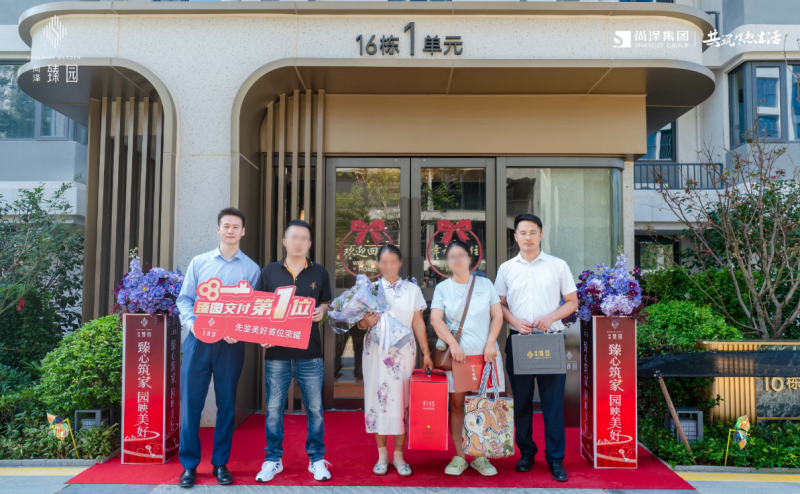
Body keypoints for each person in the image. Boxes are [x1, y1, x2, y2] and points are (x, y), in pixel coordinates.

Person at [175, 207, 261, 488]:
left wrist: (240, 331)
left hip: (230, 346)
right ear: (218, 230)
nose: (230, 230)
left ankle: (220, 463)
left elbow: (254, 309)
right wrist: (192, 325)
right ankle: (189, 466)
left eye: (236, 226)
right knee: (191, 404)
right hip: (198, 342)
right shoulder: (199, 262)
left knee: (226, 406)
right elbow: (184, 299)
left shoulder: (251, 269)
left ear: (243, 231)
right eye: (226, 226)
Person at [494, 213, 578, 482]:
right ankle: (526, 453)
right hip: (519, 341)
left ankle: (555, 459)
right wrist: (514, 320)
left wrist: (551, 317)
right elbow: (499, 305)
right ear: (515, 236)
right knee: (521, 402)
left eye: (532, 232)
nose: (527, 237)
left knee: (553, 404)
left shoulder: (557, 265)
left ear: (541, 235)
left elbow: (572, 301)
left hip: (550, 341)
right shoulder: (506, 268)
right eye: (522, 232)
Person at [254, 219, 332, 483]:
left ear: (309, 244)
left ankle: (316, 459)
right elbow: (258, 309)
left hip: (310, 353)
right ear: (285, 241)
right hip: (276, 354)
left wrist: (322, 311)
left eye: (304, 238)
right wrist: (262, 335)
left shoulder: (319, 272)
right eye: (294, 237)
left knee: (315, 409)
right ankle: (272, 459)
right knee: (274, 409)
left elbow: (326, 302)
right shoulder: (269, 272)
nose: (299, 242)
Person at [355, 244, 433, 477]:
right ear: (378, 264)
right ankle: (382, 455)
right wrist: (365, 322)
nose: (388, 266)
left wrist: (426, 353)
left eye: (393, 262)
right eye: (384, 262)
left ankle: (399, 455)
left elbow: (418, 322)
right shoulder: (369, 290)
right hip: (376, 353)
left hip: (403, 354)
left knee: (402, 401)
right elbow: (360, 323)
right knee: (376, 400)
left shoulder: (412, 289)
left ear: (400, 263)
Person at [429, 240, 505, 477]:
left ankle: (480, 456)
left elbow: (497, 315)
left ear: (470, 259)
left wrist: (491, 341)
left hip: (485, 355)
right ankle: (460, 456)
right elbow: (435, 319)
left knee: (482, 404)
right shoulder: (443, 288)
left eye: (461, 255)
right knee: (457, 405)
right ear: (447, 262)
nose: (457, 260)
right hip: (458, 358)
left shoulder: (485, 284)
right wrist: (453, 344)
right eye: (452, 256)